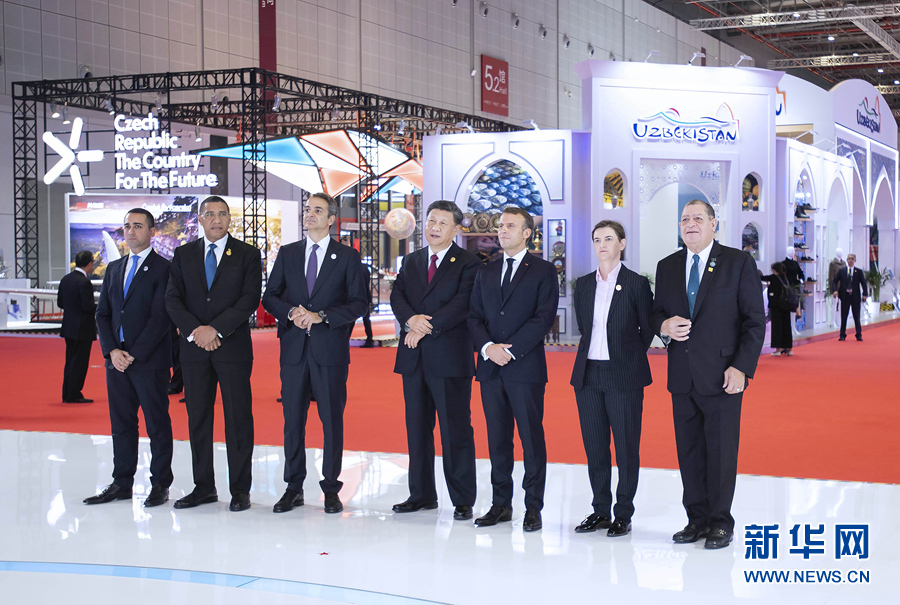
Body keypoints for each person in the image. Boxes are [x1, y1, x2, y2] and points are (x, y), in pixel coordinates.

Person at [650, 200, 765, 549]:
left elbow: (754, 321)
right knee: (689, 452)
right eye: (685, 219)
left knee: (721, 452)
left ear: (714, 224)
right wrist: (663, 326)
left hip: (723, 376)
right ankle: (696, 519)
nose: (690, 224)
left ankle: (720, 522)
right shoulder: (667, 266)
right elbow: (656, 313)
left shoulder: (738, 262)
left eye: (698, 218)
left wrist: (741, 367)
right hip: (682, 376)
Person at [262, 192, 367, 515]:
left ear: (331, 219)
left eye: (317, 210)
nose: (310, 214)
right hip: (294, 350)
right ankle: (293, 487)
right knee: (292, 421)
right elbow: (270, 296)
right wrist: (290, 312)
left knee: (331, 421)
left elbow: (359, 303)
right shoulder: (288, 253)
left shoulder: (347, 257)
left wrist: (322, 316)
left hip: (329, 351)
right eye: (307, 209)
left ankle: (331, 488)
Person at [165, 196, 261, 512]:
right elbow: (173, 299)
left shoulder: (247, 254)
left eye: (222, 214)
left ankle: (240, 490)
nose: (216, 219)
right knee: (198, 420)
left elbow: (249, 299)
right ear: (200, 219)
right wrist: (197, 331)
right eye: (210, 214)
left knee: (238, 419)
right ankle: (203, 487)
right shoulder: (183, 254)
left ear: (229, 219)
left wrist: (215, 330)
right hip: (194, 351)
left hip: (231, 348)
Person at [468, 207, 558, 532]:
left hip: (525, 368)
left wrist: (510, 351)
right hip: (490, 368)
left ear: (527, 233)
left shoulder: (543, 270)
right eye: (500, 225)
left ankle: (533, 507)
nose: (502, 230)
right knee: (497, 440)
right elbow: (474, 316)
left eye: (510, 225)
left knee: (531, 439)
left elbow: (543, 317)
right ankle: (500, 505)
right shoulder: (487, 270)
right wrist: (488, 349)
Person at [390, 200, 481, 521]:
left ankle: (462, 498)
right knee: (416, 428)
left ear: (456, 230)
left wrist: (423, 327)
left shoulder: (469, 263)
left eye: (442, 223)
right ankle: (421, 494)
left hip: (449, 357)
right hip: (413, 357)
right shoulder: (412, 260)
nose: (434, 227)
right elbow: (397, 295)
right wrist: (410, 320)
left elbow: (463, 303)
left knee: (455, 429)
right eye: (431, 221)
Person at [569, 221, 653, 537]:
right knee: (595, 448)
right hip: (588, 374)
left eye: (608, 238)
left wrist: (626, 356)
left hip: (624, 375)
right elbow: (584, 327)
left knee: (626, 448)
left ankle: (623, 513)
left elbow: (646, 329)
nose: (602, 244)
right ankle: (600, 510)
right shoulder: (584, 285)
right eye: (597, 240)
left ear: (622, 243)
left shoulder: (636, 284)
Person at [86, 209, 173, 507]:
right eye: (127, 226)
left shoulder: (164, 269)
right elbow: (103, 314)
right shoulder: (114, 268)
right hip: (116, 362)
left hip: (149, 361)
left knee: (157, 425)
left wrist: (132, 355)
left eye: (138, 226)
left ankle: (160, 484)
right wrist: (112, 351)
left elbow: (160, 319)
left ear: (152, 232)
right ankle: (121, 483)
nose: (131, 231)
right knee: (121, 424)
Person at [58, 250, 97, 404]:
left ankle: (67, 392)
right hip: (83, 329)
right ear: (89, 264)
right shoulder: (85, 282)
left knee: (70, 361)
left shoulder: (66, 279)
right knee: (80, 363)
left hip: (69, 327)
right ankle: (74, 393)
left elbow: (60, 303)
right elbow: (88, 307)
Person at [762, 262, 798, 356]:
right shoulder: (785, 278)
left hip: (776, 306)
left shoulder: (773, 278)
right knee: (786, 327)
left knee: (777, 328)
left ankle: (778, 350)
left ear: (774, 270)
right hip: (786, 306)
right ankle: (789, 349)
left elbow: (762, 278)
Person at [832, 252, 868, 342]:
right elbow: (834, 281)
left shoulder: (858, 272)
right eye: (849, 258)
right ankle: (842, 335)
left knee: (856, 316)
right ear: (847, 260)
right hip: (845, 296)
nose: (850, 260)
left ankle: (858, 334)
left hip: (855, 297)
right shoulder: (842, 271)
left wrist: (865, 294)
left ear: (855, 260)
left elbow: (863, 283)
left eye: (852, 259)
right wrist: (835, 290)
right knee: (844, 316)